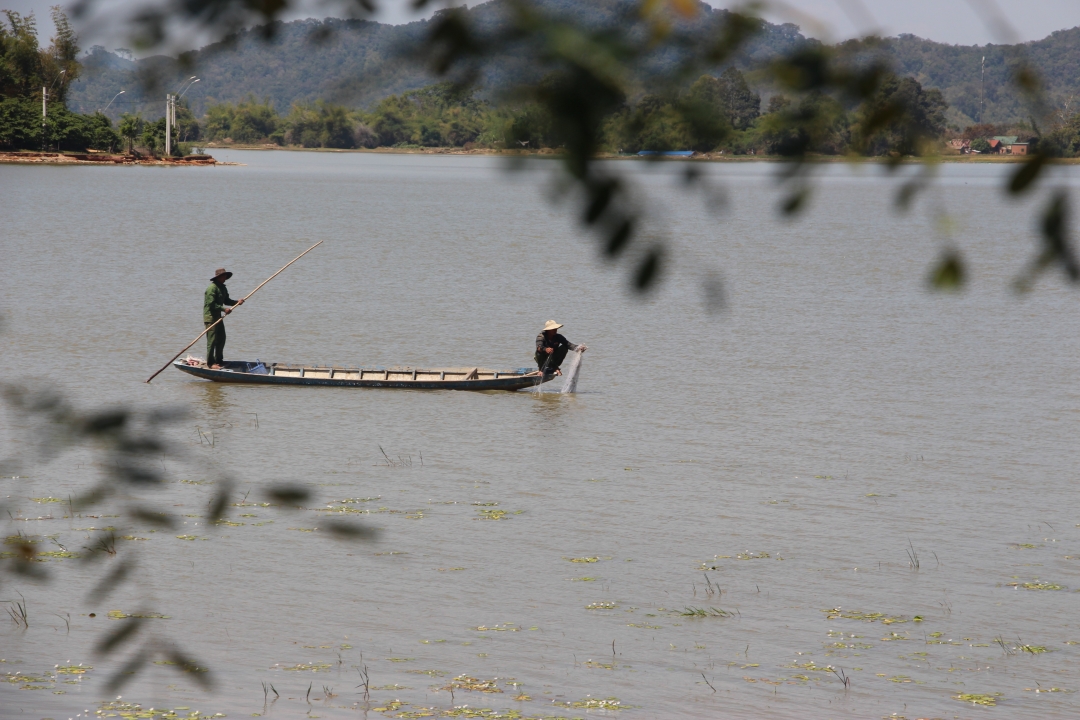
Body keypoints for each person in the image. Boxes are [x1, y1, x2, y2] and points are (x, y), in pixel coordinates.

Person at [203, 267, 243, 369]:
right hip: (210, 317)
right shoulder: (212, 288)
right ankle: (211, 363)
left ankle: (219, 360)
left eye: (226, 276)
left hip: (218, 317)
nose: (225, 277)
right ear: (219, 277)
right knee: (211, 341)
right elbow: (211, 304)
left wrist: (236, 302)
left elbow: (226, 300)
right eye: (223, 276)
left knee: (221, 338)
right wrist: (224, 309)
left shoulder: (223, 287)